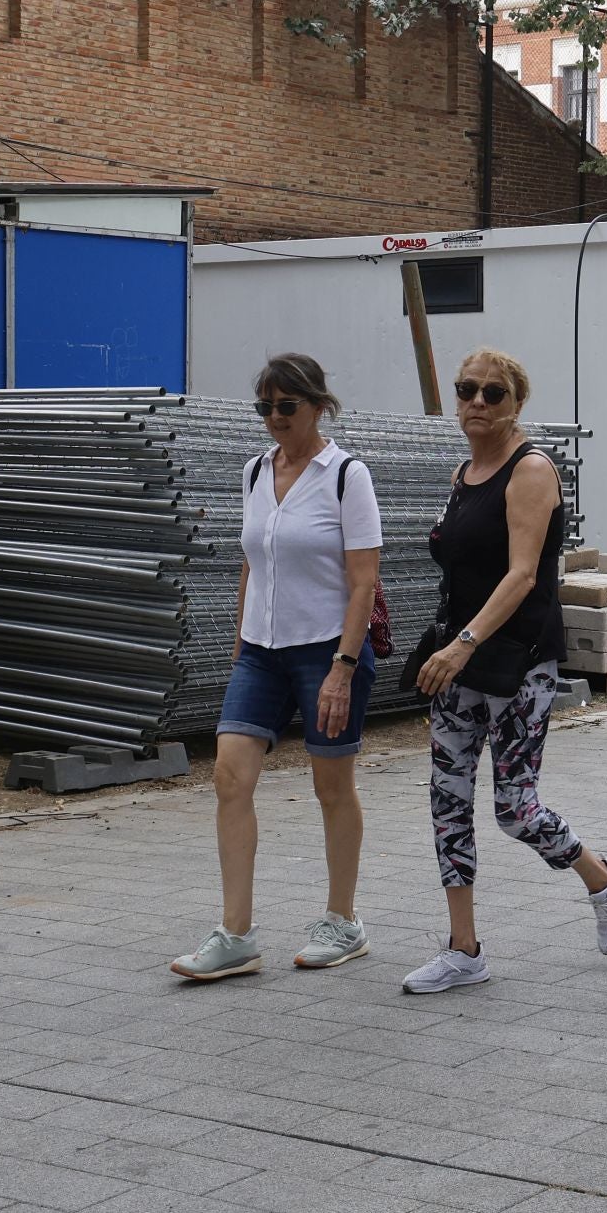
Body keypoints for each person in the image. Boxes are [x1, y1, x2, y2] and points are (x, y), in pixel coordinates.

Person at [401, 346, 607, 994]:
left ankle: (605, 878)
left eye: (492, 393)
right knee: (447, 803)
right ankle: (464, 949)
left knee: (515, 809)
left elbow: (525, 574)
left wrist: (464, 644)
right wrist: (447, 646)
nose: (476, 402)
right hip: (458, 660)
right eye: (466, 390)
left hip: (517, 661)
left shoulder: (531, 470)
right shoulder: (464, 471)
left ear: (517, 404)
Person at [171, 354, 383, 981]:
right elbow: (251, 563)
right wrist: (241, 645)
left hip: (327, 650)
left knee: (331, 788)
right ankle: (236, 933)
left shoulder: (347, 475)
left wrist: (343, 669)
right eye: (264, 407)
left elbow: (364, 581)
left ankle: (343, 921)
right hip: (261, 651)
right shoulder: (255, 472)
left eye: (286, 407)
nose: (273, 419)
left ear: (319, 405)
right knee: (230, 778)